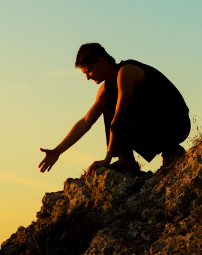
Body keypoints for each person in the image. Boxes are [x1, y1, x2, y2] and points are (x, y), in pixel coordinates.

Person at [39, 43, 191, 175]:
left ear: (101, 62)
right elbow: (86, 121)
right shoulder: (107, 89)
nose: (87, 78)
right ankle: (129, 162)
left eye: (88, 71)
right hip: (154, 125)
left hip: (177, 125)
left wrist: (107, 158)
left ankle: (169, 152)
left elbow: (118, 121)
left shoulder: (127, 72)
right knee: (108, 106)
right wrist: (57, 151)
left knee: (117, 117)